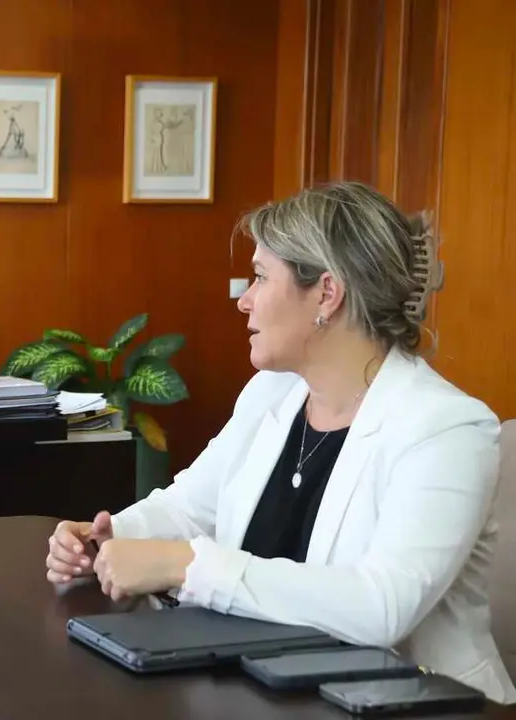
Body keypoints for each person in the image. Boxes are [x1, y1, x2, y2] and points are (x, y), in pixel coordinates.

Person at [46, 181, 516, 704]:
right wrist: (111, 539)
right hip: (267, 693)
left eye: (259, 278)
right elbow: (191, 505)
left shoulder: (445, 428)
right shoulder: (274, 391)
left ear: (327, 293)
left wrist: (186, 565)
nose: (244, 300)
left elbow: (383, 607)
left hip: (421, 704)